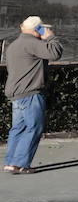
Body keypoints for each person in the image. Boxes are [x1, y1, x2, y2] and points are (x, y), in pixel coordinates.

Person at [4, 16, 63, 174]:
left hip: (16, 93)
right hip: (30, 93)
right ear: (38, 29)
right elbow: (55, 53)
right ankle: (21, 164)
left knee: (18, 128)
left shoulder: (14, 45)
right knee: (34, 128)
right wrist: (50, 36)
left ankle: (11, 162)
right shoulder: (32, 43)